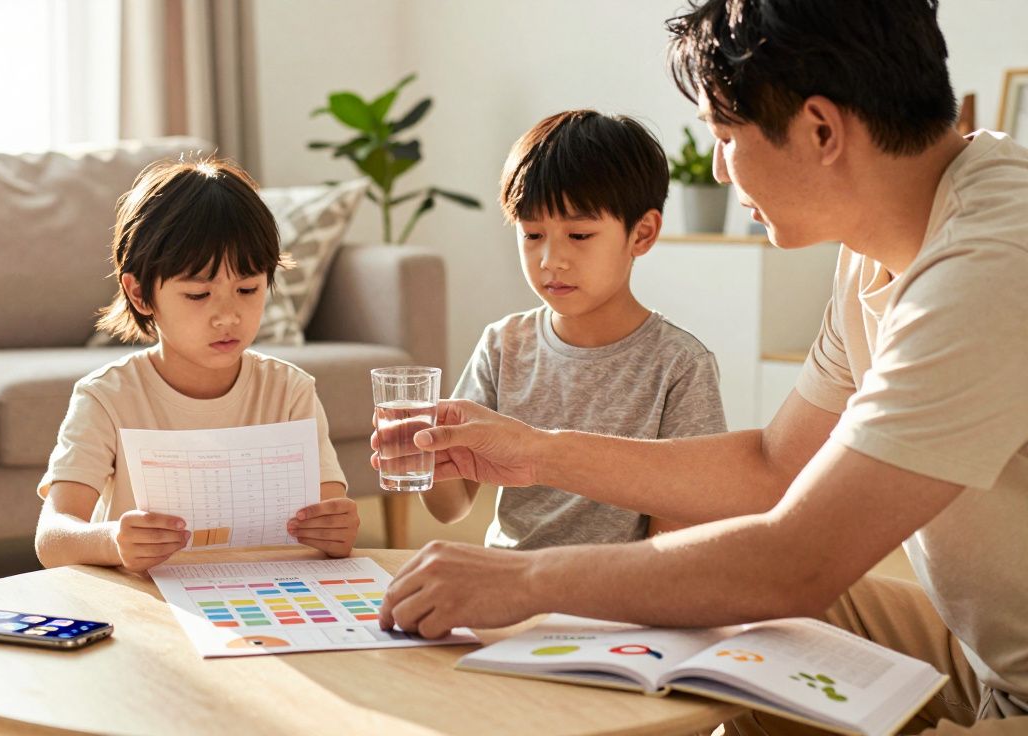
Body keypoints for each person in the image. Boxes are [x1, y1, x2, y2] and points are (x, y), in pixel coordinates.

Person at [373, 1, 1028, 732]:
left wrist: (526, 579)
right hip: (979, 653)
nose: (717, 167)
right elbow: (774, 467)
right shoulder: (876, 248)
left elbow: (796, 562)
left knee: (747, 590)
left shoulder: (989, 265)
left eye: (724, 136)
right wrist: (534, 452)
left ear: (820, 130)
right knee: (741, 634)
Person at [418, 109, 725, 549]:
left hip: (617, 587)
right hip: (508, 576)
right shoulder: (504, 345)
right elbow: (450, 508)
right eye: (532, 235)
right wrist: (423, 450)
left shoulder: (679, 365)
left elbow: (674, 544)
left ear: (642, 234)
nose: (550, 261)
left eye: (578, 236)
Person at [36, 158, 359, 573]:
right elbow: (52, 538)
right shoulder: (106, 397)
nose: (228, 316)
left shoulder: (290, 391)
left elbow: (331, 520)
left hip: (264, 591)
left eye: (248, 289)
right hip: (147, 596)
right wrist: (112, 540)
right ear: (140, 294)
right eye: (198, 295)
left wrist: (337, 531)